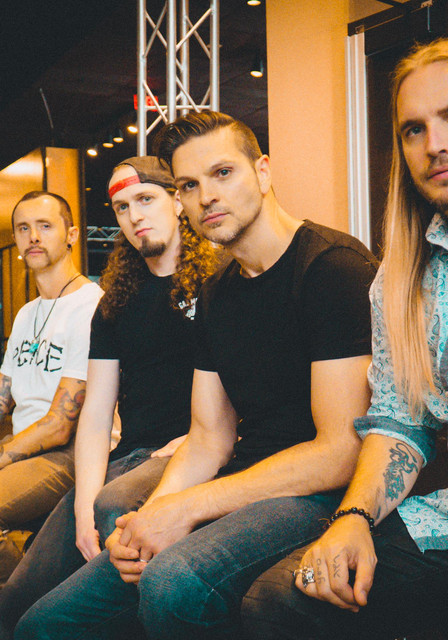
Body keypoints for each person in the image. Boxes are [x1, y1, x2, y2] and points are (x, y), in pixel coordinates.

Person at [14, 111, 377, 640]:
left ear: (263, 172)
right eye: (188, 184)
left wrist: (185, 507)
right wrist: (154, 516)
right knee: (43, 623)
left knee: (172, 581)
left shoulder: (331, 267)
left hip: (320, 494)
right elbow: (208, 438)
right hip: (244, 473)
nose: (206, 196)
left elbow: (340, 451)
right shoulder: (216, 291)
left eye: (223, 173)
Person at [241, 38, 448, 640]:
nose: (434, 144)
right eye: (413, 129)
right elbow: (401, 418)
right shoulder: (403, 277)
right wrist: (354, 517)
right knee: (282, 599)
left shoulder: (325, 264)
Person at [0, 156, 218, 637]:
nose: (135, 215)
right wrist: (83, 506)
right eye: (122, 207)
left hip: (190, 455)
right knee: (15, 603)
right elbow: (96, 417)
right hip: (127, 457)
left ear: (176, 201)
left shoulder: (219, 282)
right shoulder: (114, 301)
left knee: (111, 509)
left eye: (146, 199)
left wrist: (200, 439)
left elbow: (255, 389)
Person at [0, 191, 102, 587]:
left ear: (72, 234)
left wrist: (4, 454)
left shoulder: (91, 306)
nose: (33, 237)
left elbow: (61, 425)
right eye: (23, 228)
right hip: (25, 445)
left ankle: (16, 598)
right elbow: (4, 394)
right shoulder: (28, 312)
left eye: (45, 226)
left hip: (70, 453)